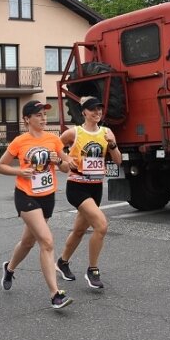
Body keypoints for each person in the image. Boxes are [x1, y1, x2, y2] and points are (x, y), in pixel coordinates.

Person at [0, 100, 73, 309]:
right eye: (38, 115)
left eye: (44, 114)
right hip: (25, 195)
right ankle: (55, 294)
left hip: (47, 195)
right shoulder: (20, 141)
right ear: (27, 119)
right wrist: (19, 171)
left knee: (28, 242)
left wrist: (59, 162)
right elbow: (1, 166)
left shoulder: (53, 139)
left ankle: (9, 268)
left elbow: (66, 168)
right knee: (47, 242)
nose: (43, 118)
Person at [57, 97, 122, 289]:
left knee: (79, 230)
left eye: (99, 109)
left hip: (96, 186)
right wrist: (66, 159)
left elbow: (117, 161)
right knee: (101, 226)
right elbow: (55, 149)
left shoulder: (107, 132)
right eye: (92, 109)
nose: (97, 112)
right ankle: (92, 270)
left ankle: (62, 262)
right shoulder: (74, 133)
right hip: (77, 186)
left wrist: (112, 145)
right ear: (84, 112)